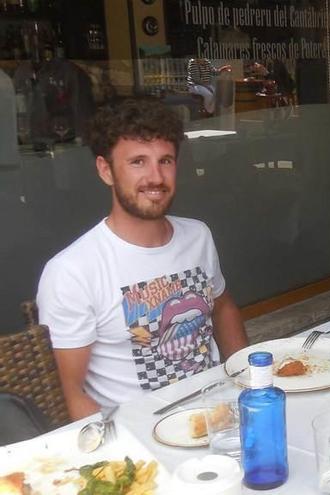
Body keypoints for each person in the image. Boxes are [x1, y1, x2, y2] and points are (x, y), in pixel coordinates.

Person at [36, 99, 248, 420]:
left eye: (165, 160)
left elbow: (223, 306)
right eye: (137, 162)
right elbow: (72, 395)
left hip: (220, 417)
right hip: (140, 438)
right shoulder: (72, 271)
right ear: (106, 170)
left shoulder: (198, 236)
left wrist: (247, 379)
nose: (155, 177)